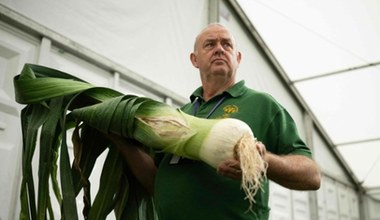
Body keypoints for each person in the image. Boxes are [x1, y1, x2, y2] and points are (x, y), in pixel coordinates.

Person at [110, 23, 321, 219]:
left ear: (237, 58)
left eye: (226, 44)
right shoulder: (178, 115)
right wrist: (120, 138)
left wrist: (262, 160)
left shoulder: (262, 105)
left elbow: (311, 175)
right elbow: (155, 181)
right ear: (194, 59)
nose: (219, 49)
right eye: (210, 44)